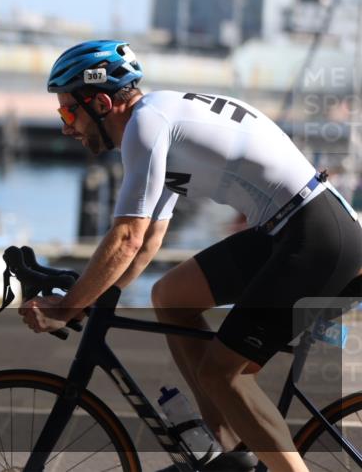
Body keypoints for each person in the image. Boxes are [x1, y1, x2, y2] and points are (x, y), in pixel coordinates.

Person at [19, 40, 362, 472]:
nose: (66, 128)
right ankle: (229, 456)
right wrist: (98, 297)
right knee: (172, 296)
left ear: (102, 103)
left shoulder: (147, 125)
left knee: (223, 373)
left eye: (69, 113)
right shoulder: (158, 120)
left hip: (315, 236)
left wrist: (68, 306)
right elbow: (148, 240)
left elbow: (127, 237)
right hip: (291, 228)